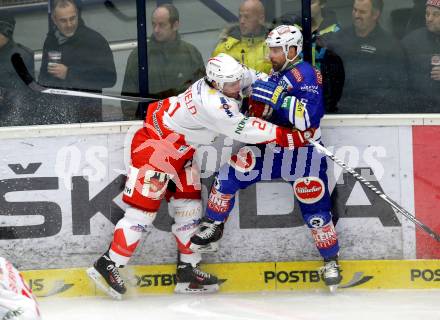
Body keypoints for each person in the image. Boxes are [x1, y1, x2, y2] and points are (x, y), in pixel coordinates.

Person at [87, 52, 314, 299]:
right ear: (216, 83)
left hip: (182, 151)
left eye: (237, 80)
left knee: (189, 206)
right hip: (155, 148)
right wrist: (287, 135)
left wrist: (279, 92)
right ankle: (109, 264)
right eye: (230, 84)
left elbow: (255, 78)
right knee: (142, 213)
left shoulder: (230, 77)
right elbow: (246, 129)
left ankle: (188, 270)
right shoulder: (214, 104)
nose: (236, 86)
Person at [190, 25, 342, 292]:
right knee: (228, 176)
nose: (270, 54)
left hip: (303, 153)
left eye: (275, 50)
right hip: (271, 150)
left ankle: (331, 260)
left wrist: (279, 98)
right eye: (270, 49)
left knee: (315, 209)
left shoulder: (306, 73)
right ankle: (214, 225)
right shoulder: (278, 72)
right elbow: (262, 101)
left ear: (292, 50)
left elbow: (308, 118)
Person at [121, 3, 205, 120]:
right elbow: (128, 101)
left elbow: (202, 95)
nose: (156, 29)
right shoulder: (139, 55)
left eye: (161, 25)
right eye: (153, 24)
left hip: (185, 124)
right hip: (149, 125)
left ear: (175, 25)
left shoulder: (191, 54)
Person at [38, 0, 116, 123]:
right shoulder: (51, 41)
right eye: (63, 20)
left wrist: (69, 73)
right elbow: (43, 79)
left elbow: (109, 78)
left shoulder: (94, 41)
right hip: (56, 116)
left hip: (87, 116)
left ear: (78, 15)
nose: (69, 24)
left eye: (72, 18)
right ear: (54, 19)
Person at [326, 0, 406, 113]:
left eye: (362, 12)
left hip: (377, 112)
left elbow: (399, 87)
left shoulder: (390, 45)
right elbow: (327, 79)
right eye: (355, 10)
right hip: (341, 111)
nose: (356, 15)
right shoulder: (337, 39)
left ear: (375, 15)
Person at [212, 0, 271, 73]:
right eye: (240, 16)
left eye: (247, 17)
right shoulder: (224, 48)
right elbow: (213, 80)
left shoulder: (274, 47)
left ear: (261, 19)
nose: (242, 21)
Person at [401, 0, 440, 112]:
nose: (429, 18)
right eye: (427, 14)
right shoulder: (411, 42)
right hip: (419, 112)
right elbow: (399, 81)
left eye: (435, 14)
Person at [0, 12, 37, 126]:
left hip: (14, 122)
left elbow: (24, 95)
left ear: (7, 33)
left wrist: (3, 94)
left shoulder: (21, 57)